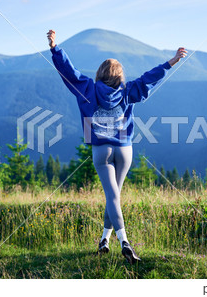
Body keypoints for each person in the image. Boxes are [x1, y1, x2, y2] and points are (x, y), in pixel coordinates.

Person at [47, 29, 187, 264]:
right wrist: (171, 62)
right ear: (120, 76)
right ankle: (104, 240)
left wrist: (54, 48)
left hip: (101, 151)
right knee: (114, 196)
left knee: (113, 196)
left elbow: (69, 73)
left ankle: (125, 242)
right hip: (124, 149)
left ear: (100, 74)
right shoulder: (127, 90)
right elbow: (149, 78)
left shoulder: (88, 89)